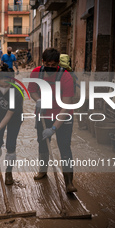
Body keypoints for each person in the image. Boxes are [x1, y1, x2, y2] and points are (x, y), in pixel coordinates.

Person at [28, 48, 77, 193]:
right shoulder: (37, 72)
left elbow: (67, 105)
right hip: (43, 114)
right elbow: (32, 90)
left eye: (53, 64)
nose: (50, 67)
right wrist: (39, 100)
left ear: (58, 64)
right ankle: (43, 171)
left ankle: (69, 182)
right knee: (43, 144)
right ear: (42, 62)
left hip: (63, 114)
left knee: (64, 147)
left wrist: (54, 128)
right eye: (47, 63)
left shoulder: (66, 76)